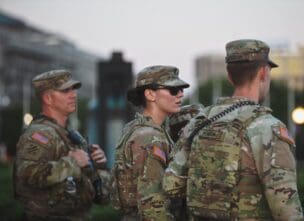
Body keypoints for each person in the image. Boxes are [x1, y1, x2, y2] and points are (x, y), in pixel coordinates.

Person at [163, 39, 304, 221]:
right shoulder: (268, 129)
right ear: (263, 73)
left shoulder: (197, 122)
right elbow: (286, 209)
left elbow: (170, 185)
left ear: (230, 76)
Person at [13, 69, 111, 221]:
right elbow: (29, 175)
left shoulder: (70, 135)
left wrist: (97, 165)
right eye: (65, 91)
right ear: (48, 98)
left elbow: (101, 197)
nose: (73, 95)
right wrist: (73, 163)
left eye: (73, 90)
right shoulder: (38, 135)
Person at [110, 65, 189, 221]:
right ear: (150, 94)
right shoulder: (150, 137)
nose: (180, 94)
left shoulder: (140, 128)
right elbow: (152, 206)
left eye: (181, 89)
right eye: (173, 90)